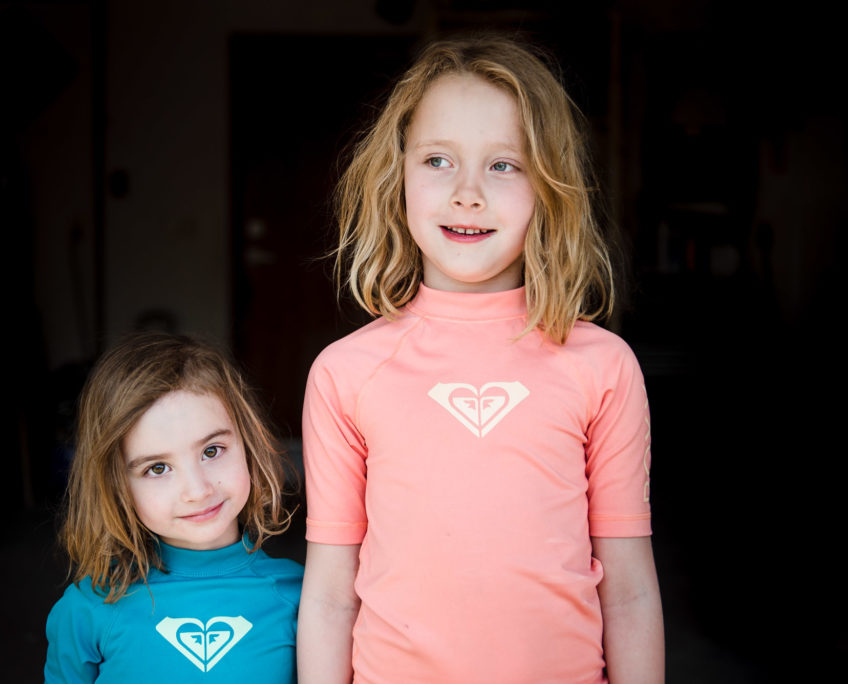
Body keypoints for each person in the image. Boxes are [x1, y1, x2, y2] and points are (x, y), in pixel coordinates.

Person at [297, 33, 664, 684]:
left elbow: (630, 591)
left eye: (504, 165)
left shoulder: (603, 367)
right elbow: (329, 596)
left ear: (550, 186)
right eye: (438, 160)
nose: (468, 192)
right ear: (398, 173)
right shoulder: (345, 375)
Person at [45, 332, 303, 683]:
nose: (197, 490)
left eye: (212, 451)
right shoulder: (87, 611)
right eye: (157, 468)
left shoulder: (300, 596)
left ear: (248, 442)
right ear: (116, 484)